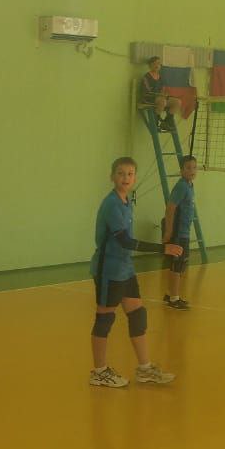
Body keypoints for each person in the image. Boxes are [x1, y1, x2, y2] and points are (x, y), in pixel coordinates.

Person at [89, 157, 182, 387]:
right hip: (109, 270)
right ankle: (99, 372)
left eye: (130, 174)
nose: (125, 178)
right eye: (121, 173)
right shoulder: (111, 204)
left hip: (125, 268)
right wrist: (163, 248)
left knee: (138, 315)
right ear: (112, 177)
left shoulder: (126, 201)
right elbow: (125, 241)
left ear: (135, 178)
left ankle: (145, 369)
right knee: (105, 318)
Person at [162, 155, 198, 309]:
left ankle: (170, 293)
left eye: (194, 167)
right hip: (178, 233)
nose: (192, 170)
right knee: (177, 265)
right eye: (188, 168)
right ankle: (174, 299)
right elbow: (170, 208)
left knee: (180, 265)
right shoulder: (182, 186)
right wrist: (169, 231)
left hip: (184, 232)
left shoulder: (189, 185)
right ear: (181, 170)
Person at [137, 56, 181, 134]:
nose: (157, 65)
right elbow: (146, 92)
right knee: (162, 101)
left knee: (177, 102)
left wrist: (164, 94)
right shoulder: (146, 77)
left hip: (160, 98)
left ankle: (167, 122)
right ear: (150, 65)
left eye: (159, 63)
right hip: (149, 98)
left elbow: (162, 89)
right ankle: (156, 121)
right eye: (155, 63)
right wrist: (159, 96)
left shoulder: (160, 77)